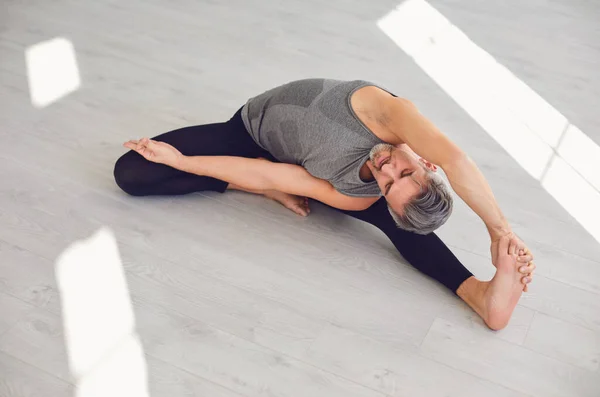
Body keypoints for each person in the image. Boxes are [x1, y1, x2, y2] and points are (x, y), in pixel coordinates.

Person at [114, 79, 536, 330]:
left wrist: (190, 165)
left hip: (307, 173)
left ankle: (482, 296)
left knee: (404, 223)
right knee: (132, 173)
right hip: (252, 132)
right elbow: (457, 159)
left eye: (389, 186)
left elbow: (269, 173)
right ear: (427, 161)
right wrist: (500, 230)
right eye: (404, 173)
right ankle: (255, 191)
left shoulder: (358, 193)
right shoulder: (386, 114)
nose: (387, 169)